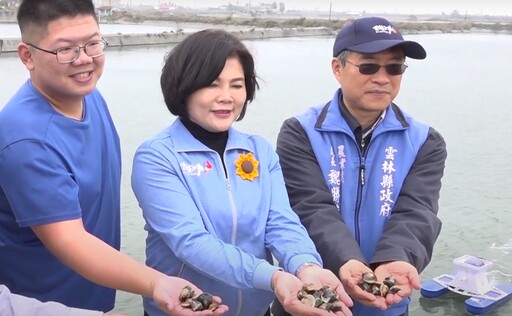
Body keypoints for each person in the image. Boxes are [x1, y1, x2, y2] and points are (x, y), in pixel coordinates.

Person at [0, 1, 227, 315]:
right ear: (28, 56)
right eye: (65, 50)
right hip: (41, 304)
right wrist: (156, 283)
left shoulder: (88, 95)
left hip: (96, 299)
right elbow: (70, 240)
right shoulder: (26, 138)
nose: (84, 60)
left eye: (93, 44)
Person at [130, 29, 353, 316]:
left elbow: (281, 223)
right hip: (187, 310)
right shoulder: (157, 157)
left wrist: (306, 266)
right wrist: (272, 277)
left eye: (237, 85)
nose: (226, 97)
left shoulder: (259, 150)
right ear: (183, 87)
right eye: (212, 84)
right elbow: (191, 242)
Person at [272, 16, 447, 316]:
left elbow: (417, 211)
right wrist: (347, 261)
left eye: (394, 67)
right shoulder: (299, 132)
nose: (382, 78)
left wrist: (396, 258)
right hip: (315, 297)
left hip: (387, 303)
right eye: (368, 66)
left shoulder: (426, 141)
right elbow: (310, 207)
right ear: (337, 69)